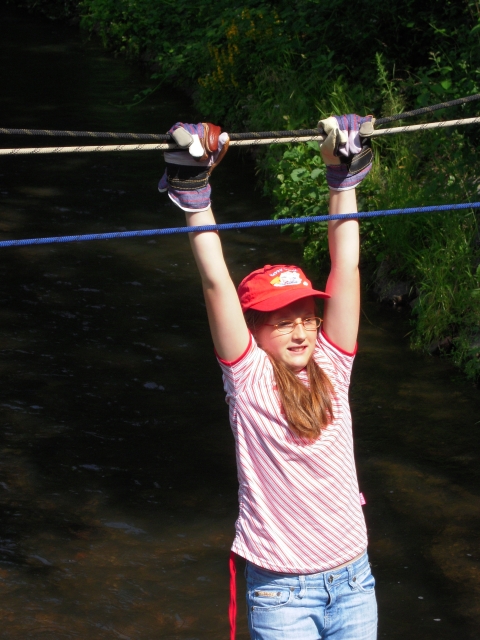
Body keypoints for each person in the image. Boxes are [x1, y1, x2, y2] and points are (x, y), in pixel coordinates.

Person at [158, 115, 377, 640]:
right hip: (281, 593)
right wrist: (196, 194)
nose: (300, 332)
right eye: (282, 322)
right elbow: (216, 282)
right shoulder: (248, 377)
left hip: (354, 581)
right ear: (253, 329)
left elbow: (345, 268)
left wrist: (344, 178)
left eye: (306, 318)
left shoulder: (332, 364)